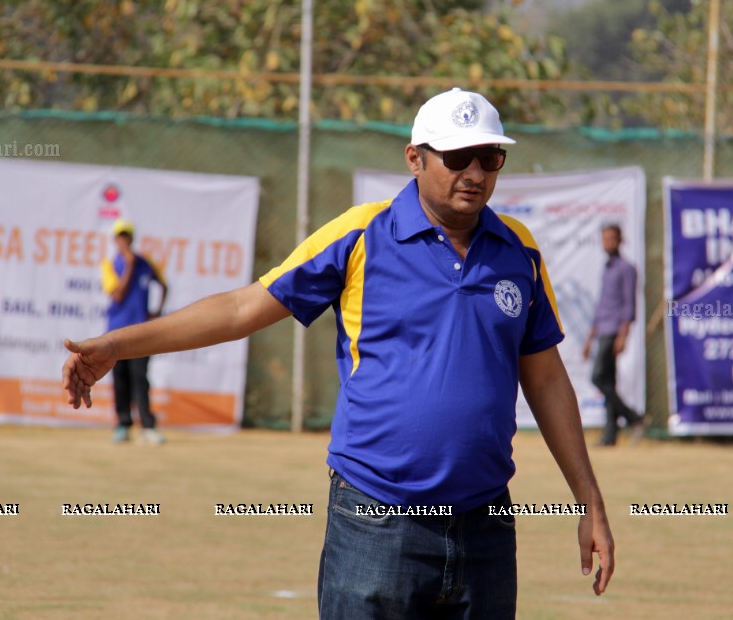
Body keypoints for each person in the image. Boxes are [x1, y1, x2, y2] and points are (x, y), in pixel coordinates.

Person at [64, 88, 614, 618]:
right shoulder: (360, 235)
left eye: (490, 157)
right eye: (457, 156)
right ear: (415, 159)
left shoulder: (520, 250)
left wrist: (590, 502)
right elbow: (239, 310)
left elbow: (544, 380)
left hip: (486, 527)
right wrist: (117, 345)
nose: (475, 172)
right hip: (376, 525)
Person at [101, 218, 168, 445]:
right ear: (115, 239)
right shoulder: (110, 265)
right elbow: (117, 295)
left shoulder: (145, 263)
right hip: (116, 333)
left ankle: (148, 427)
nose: (124, 240)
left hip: (141, 332)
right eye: (120, 236)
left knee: (140, 378)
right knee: (120, 380)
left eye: (126, 235)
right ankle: (123, 425)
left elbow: (164, 285)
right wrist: (128, 265)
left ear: (132, 238)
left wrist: (156, 311)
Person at [582, 223, 645, 447]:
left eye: (611, 238)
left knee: (597, 378)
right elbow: (601, 306)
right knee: (608, 381)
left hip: (613, 332)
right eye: (604, 238)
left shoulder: (626, 268)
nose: (607, 243)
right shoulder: (607, 267)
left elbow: (629, 305)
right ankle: (610, 436)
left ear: (620, 240)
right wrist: (590, 338)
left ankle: (634, 417)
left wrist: (623, 335)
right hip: (602, 331)